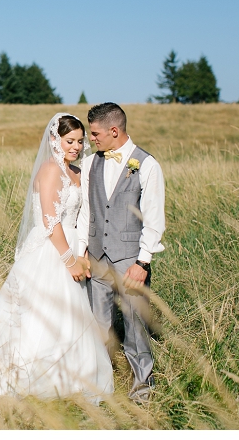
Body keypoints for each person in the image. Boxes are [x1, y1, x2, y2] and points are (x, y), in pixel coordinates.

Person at [0, 113, 113, 400]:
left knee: (69, 315)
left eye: (79, 141)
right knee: (41, 314)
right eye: (69, 140)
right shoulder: (50, 171)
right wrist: (69, 259)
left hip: (73, 246)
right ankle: (30, 374)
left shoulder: (76, 172)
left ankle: (71, 374)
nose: (75, 146)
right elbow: (50, 221)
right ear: (55, 139)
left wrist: (82, 251)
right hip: (52, 251)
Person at [76, 102, 165, 403]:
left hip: (130, 262)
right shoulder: (89, 164)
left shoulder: (148, 165)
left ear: (114, 131)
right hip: (97, 260)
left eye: (95, 133)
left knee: (135, 328)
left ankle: (143, 387)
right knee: (98, 326)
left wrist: (143, 262)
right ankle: (99, 385)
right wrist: (82, 251)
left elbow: (154, 220)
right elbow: (86, 212)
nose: (91, 140)